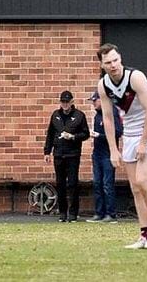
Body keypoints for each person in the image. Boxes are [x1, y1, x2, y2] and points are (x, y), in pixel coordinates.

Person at [96, 43, 147, 249]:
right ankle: (144, 234)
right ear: (102, 65)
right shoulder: (103, 85)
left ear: (120, 59)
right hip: (129, 132)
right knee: (135, 188)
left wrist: (144, 143)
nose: (113, 65)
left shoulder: (135, 77)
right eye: (108, 62)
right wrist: (113, 149)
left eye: (115, 60)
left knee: (143, 179)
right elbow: (108, 119)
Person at [43, 90, 90, 222]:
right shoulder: (55, 115)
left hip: (73, 154)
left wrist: (73, 137)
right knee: (60, 183)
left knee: (73, 183)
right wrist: (47, 151)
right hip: (58, 154)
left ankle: (73, 213)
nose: (65, 104)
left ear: (72, 102)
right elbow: (50, 134)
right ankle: (62, 213)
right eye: (63, 102)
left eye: (67, 102)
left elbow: (85, 134)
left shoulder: (79, 116)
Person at [85, 90, 122, 223]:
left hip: (108, 154)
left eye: (95, 100)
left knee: (107, 184)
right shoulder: (97, 116)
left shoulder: (113, 113)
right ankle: (99, 213)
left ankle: (110, 214)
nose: (93, 103)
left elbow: (118, 132)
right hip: (98, 153)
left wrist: (99, 136)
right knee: (97, 183)